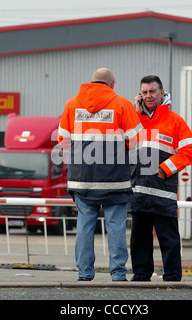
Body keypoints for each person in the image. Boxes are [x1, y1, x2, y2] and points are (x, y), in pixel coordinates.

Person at [58, 68, 142, 281]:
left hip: (82, 180)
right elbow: (135, 142)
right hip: (114, 181)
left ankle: (85, 273)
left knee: (85, 226)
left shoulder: (72, 104)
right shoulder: (122, 104)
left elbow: (63, 141)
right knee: (115, 227)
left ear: (92, 82)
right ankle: (118, 273)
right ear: (112, 84)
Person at [130, 75, 192, 282]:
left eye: (152, 91)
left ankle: (172, 277)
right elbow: (123, 147)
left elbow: (191, 150)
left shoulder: (174, 120)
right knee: (139, 239)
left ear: (162, 93)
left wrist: (166, 168)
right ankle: (141, 275)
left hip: (162, 191)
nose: (148, 96)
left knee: (169, 238)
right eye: (144, 92)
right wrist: (135, 115)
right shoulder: (134, 120)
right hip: (139, 191)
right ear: (139, 96)